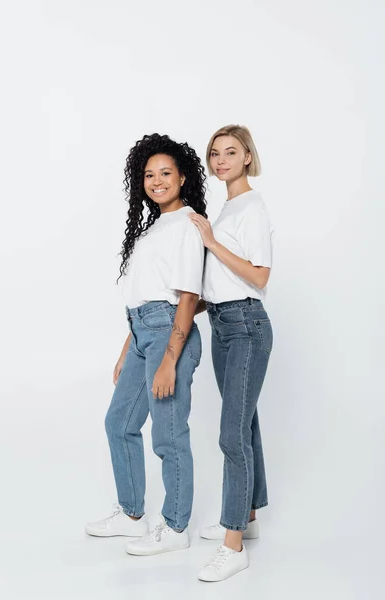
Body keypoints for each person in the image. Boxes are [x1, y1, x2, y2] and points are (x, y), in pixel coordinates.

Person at [85, 133, 206, 556]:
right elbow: (142, 293)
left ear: (183, 177)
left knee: (169, 435)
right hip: (141, 332)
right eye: (149, 175)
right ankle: (133, 516)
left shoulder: (188, 224)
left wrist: (170, 358)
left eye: (165, 173)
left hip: (169, 334)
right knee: (119, 423)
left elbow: (188, 296)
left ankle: (175, 527)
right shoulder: (155, 227)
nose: (156, 181)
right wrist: (127, 349)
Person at [189, 124, 274, 581]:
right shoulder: (230, 207)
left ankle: (232, 542)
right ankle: (250, 517)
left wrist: (210, 242)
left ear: (247, 157)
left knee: (232, 434)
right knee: (246, 422)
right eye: (214, 153)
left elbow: (259, 276)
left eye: (230, 152)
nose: (220, 160)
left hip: (245, 325)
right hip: (223, 322)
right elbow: (221, 278)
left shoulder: (251, 208)